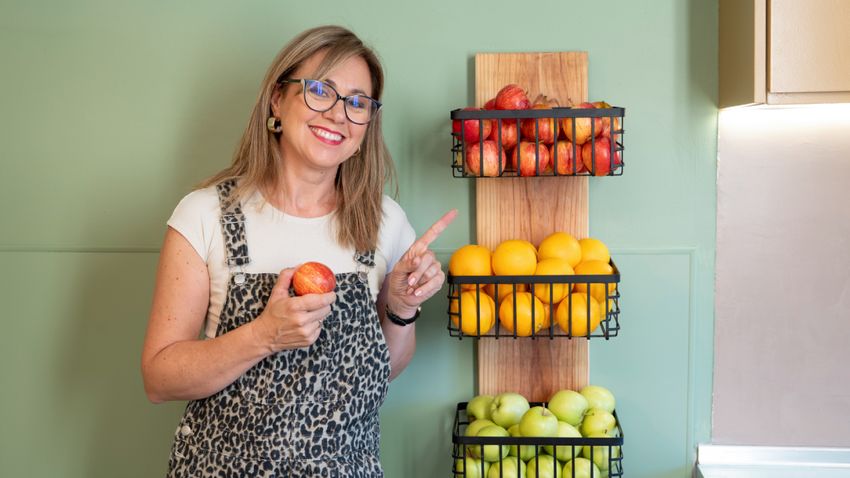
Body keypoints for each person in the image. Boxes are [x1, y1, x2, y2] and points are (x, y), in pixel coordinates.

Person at [141, 25, 456, 477]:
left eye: (357, 102)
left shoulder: (384, 224)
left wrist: (402, 311)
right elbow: (159, 377)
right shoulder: (207, 214)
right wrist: (264, 335)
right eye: (319, 91)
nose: (338, 114)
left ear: (368, 124)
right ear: (277, 100)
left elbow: (380, 372)